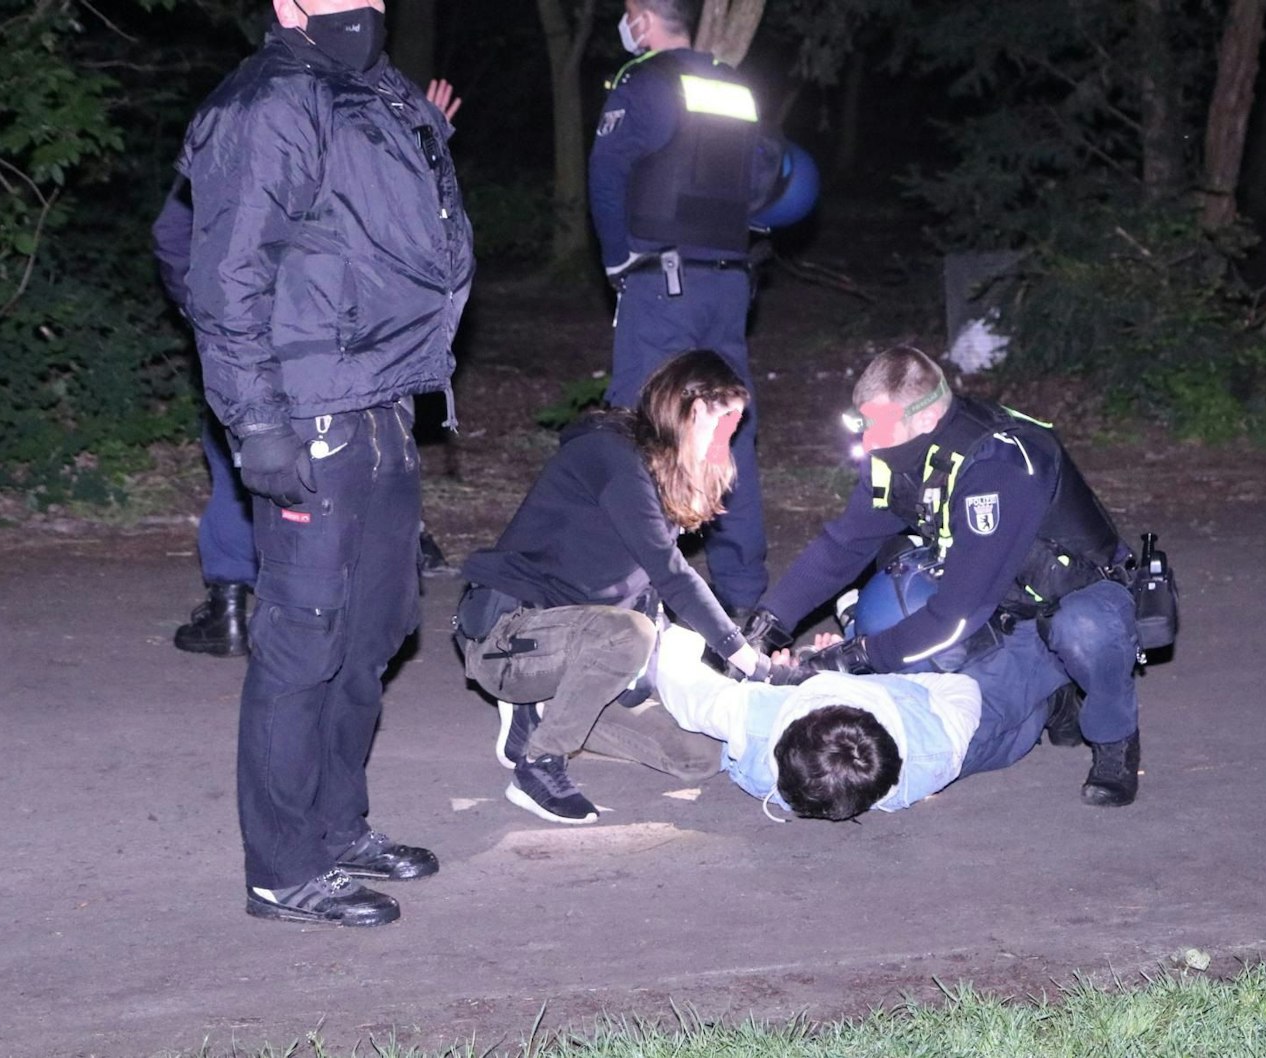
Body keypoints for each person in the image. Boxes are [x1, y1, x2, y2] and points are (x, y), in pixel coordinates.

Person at [176, 0, 474, 927]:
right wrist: (255, 424)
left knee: (374, 629)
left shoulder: (369, 89)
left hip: (381, 398)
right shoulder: (267, 103)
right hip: (309, 408)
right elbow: (225, 278)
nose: (366, 4)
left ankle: (339, 830)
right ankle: (282, 868)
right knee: (303, 642)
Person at [743, 347, 1146, 807]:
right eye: (861, 425)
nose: (867, 443)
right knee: (963, 739)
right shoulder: (894, 454)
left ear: (929, 414)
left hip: (1076, 593)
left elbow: (956, 615)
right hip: (1001, 601)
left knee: (1085, 632)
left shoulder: (999, 466)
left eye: (877, 427)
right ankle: (1052, 697)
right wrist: (766, 624)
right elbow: (844, 544)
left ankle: (1114, 738)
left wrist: (847, 658)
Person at [154, 80, 464, 658]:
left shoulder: (291, 126)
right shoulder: (260, 127)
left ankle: (258, 610)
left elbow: (176, 238)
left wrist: (426, 135)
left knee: (281, 468)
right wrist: (218, 316)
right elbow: (179, 239)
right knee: (264, 462)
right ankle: (253, 611)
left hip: (314, 349)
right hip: (299, 348)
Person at [457, 351, 792, 826]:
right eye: (723, 420)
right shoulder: (614, 457)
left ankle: (545, 711)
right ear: (691, 410)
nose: (729, 436)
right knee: (628, 635)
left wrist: (682, 672)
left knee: (699, 758)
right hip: (509, 638)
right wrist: (751, 662)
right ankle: (539, 765)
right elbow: (672, 573)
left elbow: (647, 590)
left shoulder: (665, 473)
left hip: (578, 643)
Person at [589, 0, 775, 616]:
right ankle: (743, 599)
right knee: (726, 430)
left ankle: (628, 597)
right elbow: (759, 183)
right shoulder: (734, 85)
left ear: (643, 19)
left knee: (640, 429)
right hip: (727, 284)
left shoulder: (642, 83)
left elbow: (607, 177)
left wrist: (618, 263)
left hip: (662, 284)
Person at [651, 626, 982, 820]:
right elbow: (963, 686)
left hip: (761, 722)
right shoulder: (939, 749)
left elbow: (682, 683)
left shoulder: (754, 713)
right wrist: (861, 673)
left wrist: (779, 679)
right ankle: (853, 624)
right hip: (886, 702)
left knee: (695, 741)